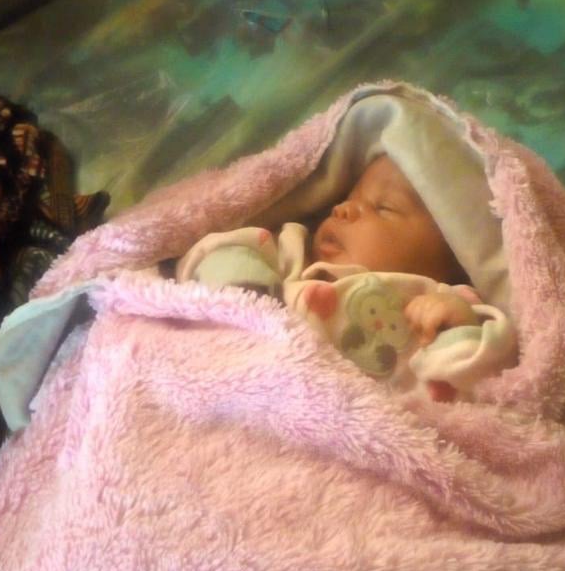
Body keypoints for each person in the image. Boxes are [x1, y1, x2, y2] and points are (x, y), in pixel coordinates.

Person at [177, 154, 516, 400]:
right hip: (260, 384)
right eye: (348, 198)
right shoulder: (291, 253)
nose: (342, 209)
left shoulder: (442, 304)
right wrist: (248, 298)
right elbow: (219, 250)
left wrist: (458, 326)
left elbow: (483, 387)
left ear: (451, 251)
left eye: (383, 206)